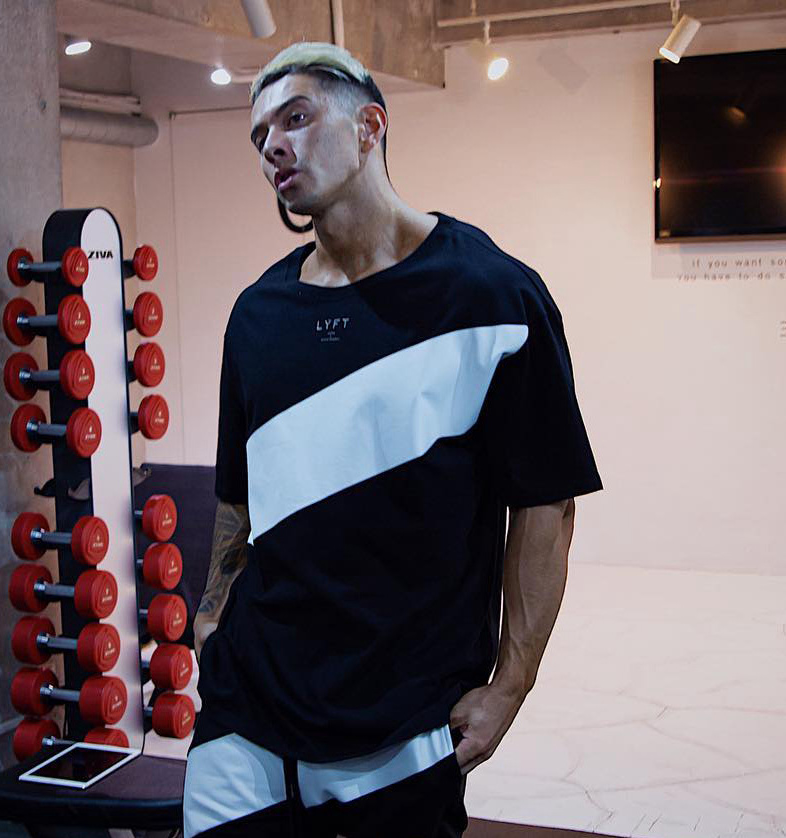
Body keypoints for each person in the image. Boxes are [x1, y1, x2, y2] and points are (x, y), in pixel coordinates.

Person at [183, 41, 603, 838]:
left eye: (296, 118)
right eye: (260, 134)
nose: (274, 146)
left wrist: (511, 684)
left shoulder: (494, 296)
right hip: (247, 709)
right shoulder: (257, 315)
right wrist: (212, 622)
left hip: (403, 720)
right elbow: (239, 494)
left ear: (370, 126)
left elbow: (546, 505)